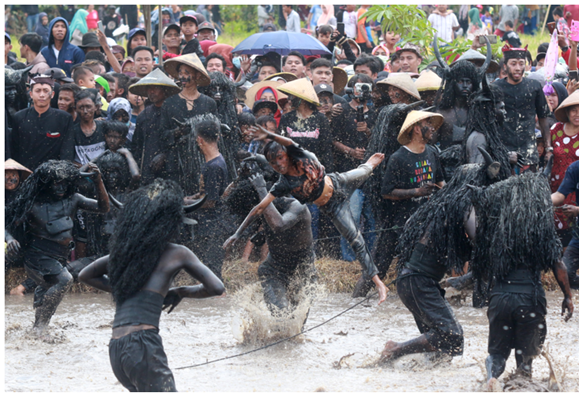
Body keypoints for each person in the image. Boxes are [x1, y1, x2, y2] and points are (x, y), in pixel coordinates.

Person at [79, 179, 224, 392]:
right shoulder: (178, 253)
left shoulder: (120, 255)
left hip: (116, 349)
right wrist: (181, 291)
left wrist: (123, 289)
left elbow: (84, 275)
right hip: (143, 345)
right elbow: (217, 288)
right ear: (172, 221)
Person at [223, 124, 389, 305]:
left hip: (337, 181)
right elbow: (259, 208)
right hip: (332, 206)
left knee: (365, 170)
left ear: (287, 155)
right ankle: (379, 284)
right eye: (272, 163)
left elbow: (287, 142)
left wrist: (269, 134)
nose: (278, 164)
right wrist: (237, 233)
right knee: (356, 240)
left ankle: (369, 164)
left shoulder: (300, 156)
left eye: (280, 158)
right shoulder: (282, 184)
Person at [471, 173, 574, 391]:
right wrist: (567, 296)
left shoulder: (494, 231)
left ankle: (492, 377)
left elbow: (478, 266)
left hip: (500, 298)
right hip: (530, 300)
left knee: (497, 355)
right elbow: (559, 265)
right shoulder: (541, 231)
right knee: (525, 362)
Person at [5, 160, 109, 340]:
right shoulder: (32, 204)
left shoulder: (74, 199)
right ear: (45, 183)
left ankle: (36, 331)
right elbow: (4, 221)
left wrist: (98, 181)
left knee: (46, 290)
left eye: (64, 182)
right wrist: (10, 238)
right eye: (56, 182)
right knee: (64, 280)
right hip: (36, 257)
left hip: (59, 258)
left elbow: (103, 208)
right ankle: (41, 328)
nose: (61, 187)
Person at [357, 111, 445, 297]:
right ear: (416, 129)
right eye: (427, 124)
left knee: (419, 265)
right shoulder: (399, 157)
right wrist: (416, 192)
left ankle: (414, 296)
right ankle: (357, 300)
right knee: (379, 265)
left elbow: (441, 183)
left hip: (425, 219)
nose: (431, 128)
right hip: (398, 222)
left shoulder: (432, 153)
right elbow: (386, 192)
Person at [226, 164, 316, 317]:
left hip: (302, 270)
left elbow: (279, 225)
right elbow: (255, 211)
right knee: (281, 315)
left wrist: (262, 190)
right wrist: (237, 233)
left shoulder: (297, 207)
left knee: (296, 324)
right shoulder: (264, 208)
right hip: (274, 269)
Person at [332, 75, 377, 264]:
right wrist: (350, 151)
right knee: (351, 217)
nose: (362, 92)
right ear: (351, 89)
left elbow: (380, 137)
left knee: (372, 220)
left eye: (365, 88)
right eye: (358, 88)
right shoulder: (341, 111)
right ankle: (350, 260)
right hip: (348, 172)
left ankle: (374, 258)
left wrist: (367, 131)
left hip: (372, 172)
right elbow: (332, 139)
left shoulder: (375, 112)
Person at [161, 53, 217, 195]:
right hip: (176, 163)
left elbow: (214, 136)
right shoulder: (169, 103)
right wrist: (177, 132)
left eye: (187, 72)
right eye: (180, 72)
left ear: (197, 75)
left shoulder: (209, 103)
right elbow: (162, 134)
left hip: (201, 161)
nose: (182, 76)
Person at [185, 116, 230, 279]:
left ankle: (218, 300)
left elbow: (210, 201)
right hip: (211, 225)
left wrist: (186, 203)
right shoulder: (214, 161)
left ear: (199, 139)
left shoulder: (213, 167)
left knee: (212, 273)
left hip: (213, 226)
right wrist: (188, 198)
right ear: (217, 138)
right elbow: (205, 193)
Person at [496, 44, 552, 173]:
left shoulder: (534, 87)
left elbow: (543, 119)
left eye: (521, 63)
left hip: (529, 155)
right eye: (513, 63)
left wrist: (548, 148)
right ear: (505, 66)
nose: (518, 68)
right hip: (503, 154)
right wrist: (498, 152)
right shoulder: (496, 89)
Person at [10, 75, 75, 171]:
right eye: (38, 91)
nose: (42, 95)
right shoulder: (19, 117)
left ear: (52, 94)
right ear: (31, 94)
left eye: (45, 90)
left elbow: (67, 152)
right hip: (25, 173)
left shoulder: (64, 118)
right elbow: (14, 150)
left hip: (53, 175)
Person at [129, 69, 181, 185]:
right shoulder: (144, 114)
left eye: (155, 88)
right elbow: (137, 145)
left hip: (171, 169)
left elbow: (180, 141)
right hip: (148, 169)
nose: (151, 92)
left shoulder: (175, 112)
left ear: (165, 90)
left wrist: (165, 155)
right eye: (149, 88)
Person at [549, 92, 579, 239]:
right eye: (574, 110)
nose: (577, 114)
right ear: (567, 112)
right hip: (556, 187)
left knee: (572, 235)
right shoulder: (555, 130)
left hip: (575, 189)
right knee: (554, 233)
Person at [553, 159, 579, 289]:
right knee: (565, 273)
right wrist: (539, 200)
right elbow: (559, 195)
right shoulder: (575, 168)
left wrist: (577, 210)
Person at [72, 90, 106, 165]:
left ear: (96, 107)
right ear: (75, 109)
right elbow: (69, 158)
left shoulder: (104, 127)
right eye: (81, 107)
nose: (85, 111)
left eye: (88, 107)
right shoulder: (72, 131)